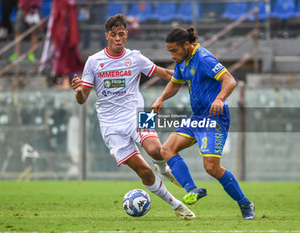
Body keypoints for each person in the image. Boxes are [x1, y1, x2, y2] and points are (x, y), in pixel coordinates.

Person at [71, 14, 195, 219]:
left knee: (156, 149)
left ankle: (163, 169)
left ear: (126, 35)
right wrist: (77, 91)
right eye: (113, 35)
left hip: (137, 114)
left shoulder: (135, 57)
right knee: (145, 173)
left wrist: (190, 76)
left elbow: (164, 73)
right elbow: (82, 98)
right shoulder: (94, 62)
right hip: (110, 125)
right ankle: (177, 205)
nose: (118, 38)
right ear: (107, 36)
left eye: (121, 34)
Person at [152, 27, 255, 220]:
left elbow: (230, 81)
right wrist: (161, 98)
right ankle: (192, 189)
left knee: (212, 168)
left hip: (215, 118)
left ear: (187, 45)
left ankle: (245, 203)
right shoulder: (183, 60)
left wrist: (219, 98)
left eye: (174, 51)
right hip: (197, 117)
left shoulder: (204, 59)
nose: (172, 55)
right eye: (169, 52)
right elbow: (175, 83)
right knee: (167, 149)